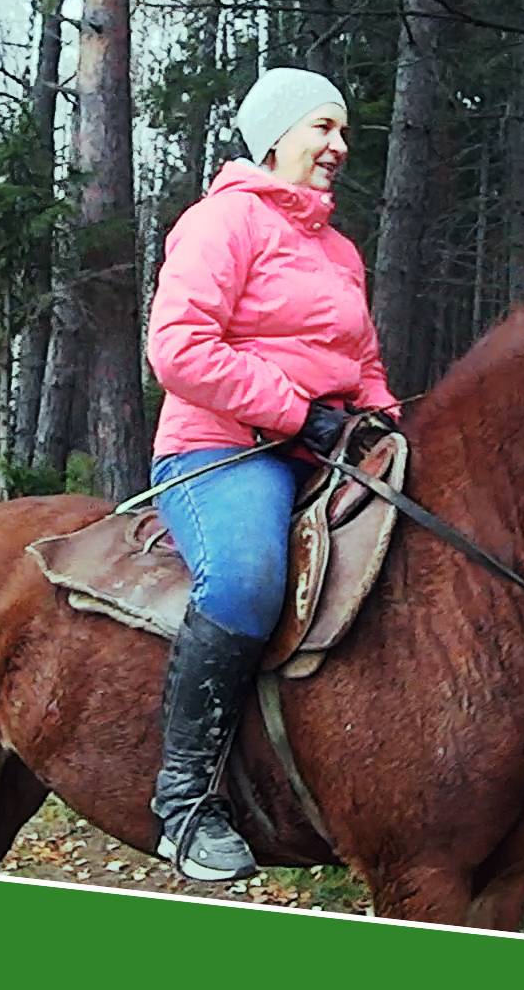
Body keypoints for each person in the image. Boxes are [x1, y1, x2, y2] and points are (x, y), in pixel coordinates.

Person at [141, 67, 399, 881]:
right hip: (221, 449)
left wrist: (388, 424)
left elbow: (363, 366)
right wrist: (295, 413)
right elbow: (177, 348)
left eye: (344, 130)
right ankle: (184, 800)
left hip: (326, 447)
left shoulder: (340, 251)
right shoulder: (223, 221)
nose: (339, 145)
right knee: (247, 578)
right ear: (275, 136)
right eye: (323, 127)